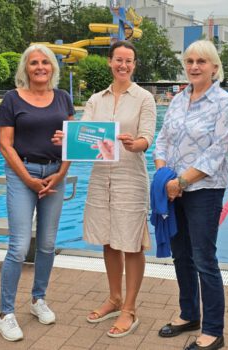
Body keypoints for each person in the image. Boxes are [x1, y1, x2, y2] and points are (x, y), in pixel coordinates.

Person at [53, 40, 156, 338]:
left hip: (130, 178)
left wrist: (134, 144)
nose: (124, 65)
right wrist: (67, 139)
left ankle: (130, 308)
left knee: (132, 243)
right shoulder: (96, 100)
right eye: (119, 60)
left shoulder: (144, 98)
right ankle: (114, 298)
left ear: (134, 65)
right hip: (101, 178)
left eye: (129, 61)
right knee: (109, 240)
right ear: (110, 62)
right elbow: (84, 136)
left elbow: (147, 138)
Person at [154, 39, 228, 350]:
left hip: (203, 190)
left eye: (201, 62)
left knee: (204, 259)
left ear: (214, 68)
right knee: (181, 255)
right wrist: (164, 175)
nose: (194, 67)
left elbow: (217, 153)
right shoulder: (178, 100)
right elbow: (162, 140)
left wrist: (181, 182)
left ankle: (214, 330)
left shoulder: (225, 104)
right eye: (189, 61)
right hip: (173, 189)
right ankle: (189, 313)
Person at [0, 44, 74, 342]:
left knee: (48, 244)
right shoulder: (13, 99)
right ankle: (5, 314)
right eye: (33, 63)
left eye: (45, 62)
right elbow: (5, 144)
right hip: (22, 174)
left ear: (53, 67)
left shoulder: (63, 98)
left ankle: (38, 298)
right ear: (25, 69)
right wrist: (28, 178)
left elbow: (73, 141)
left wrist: (61, 173)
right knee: (17, 246)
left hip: (56, 173)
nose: (40, 67)